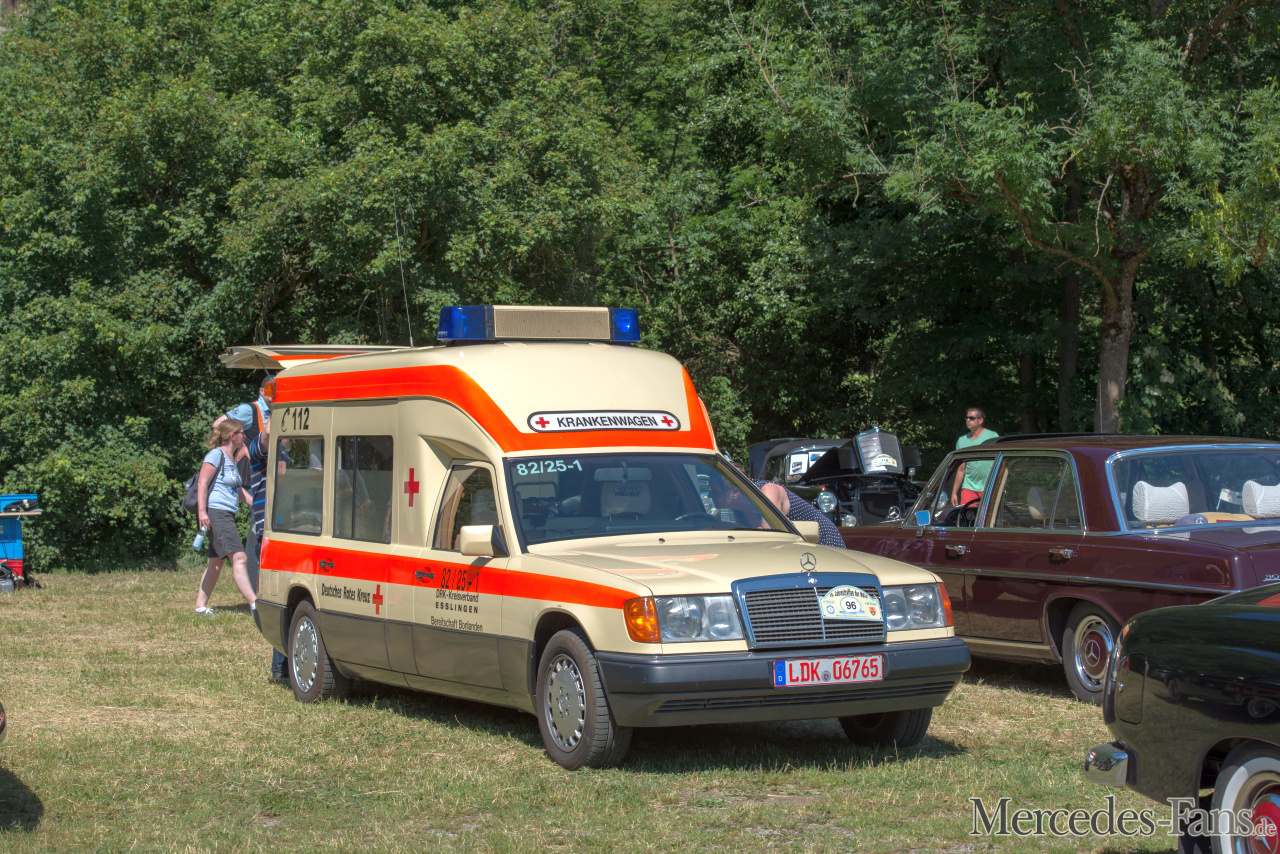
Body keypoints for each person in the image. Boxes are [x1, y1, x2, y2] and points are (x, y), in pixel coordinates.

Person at [194, 419, 256, 616]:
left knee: (215, 563)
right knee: (239, 558)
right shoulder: (216, 455)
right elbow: (202, 483)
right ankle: (255, 604)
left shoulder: (231, 459)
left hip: (225, 513)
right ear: (232, 436)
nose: (244, 436)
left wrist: (258, 505)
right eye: (242, 433)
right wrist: (202, 512)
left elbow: (237, 490)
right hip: (216, 513)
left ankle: (200, 607)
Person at [950, 407, 999, 507]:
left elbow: (999, 463)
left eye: (971, 418)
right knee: (967, 515)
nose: (968, 420)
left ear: (980, 420)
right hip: (969, 487)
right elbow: (961, 469)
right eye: (967, 418)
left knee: (986, 516)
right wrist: (954, 492)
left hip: (989, 487)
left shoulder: (992, 437)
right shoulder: (962, 441)